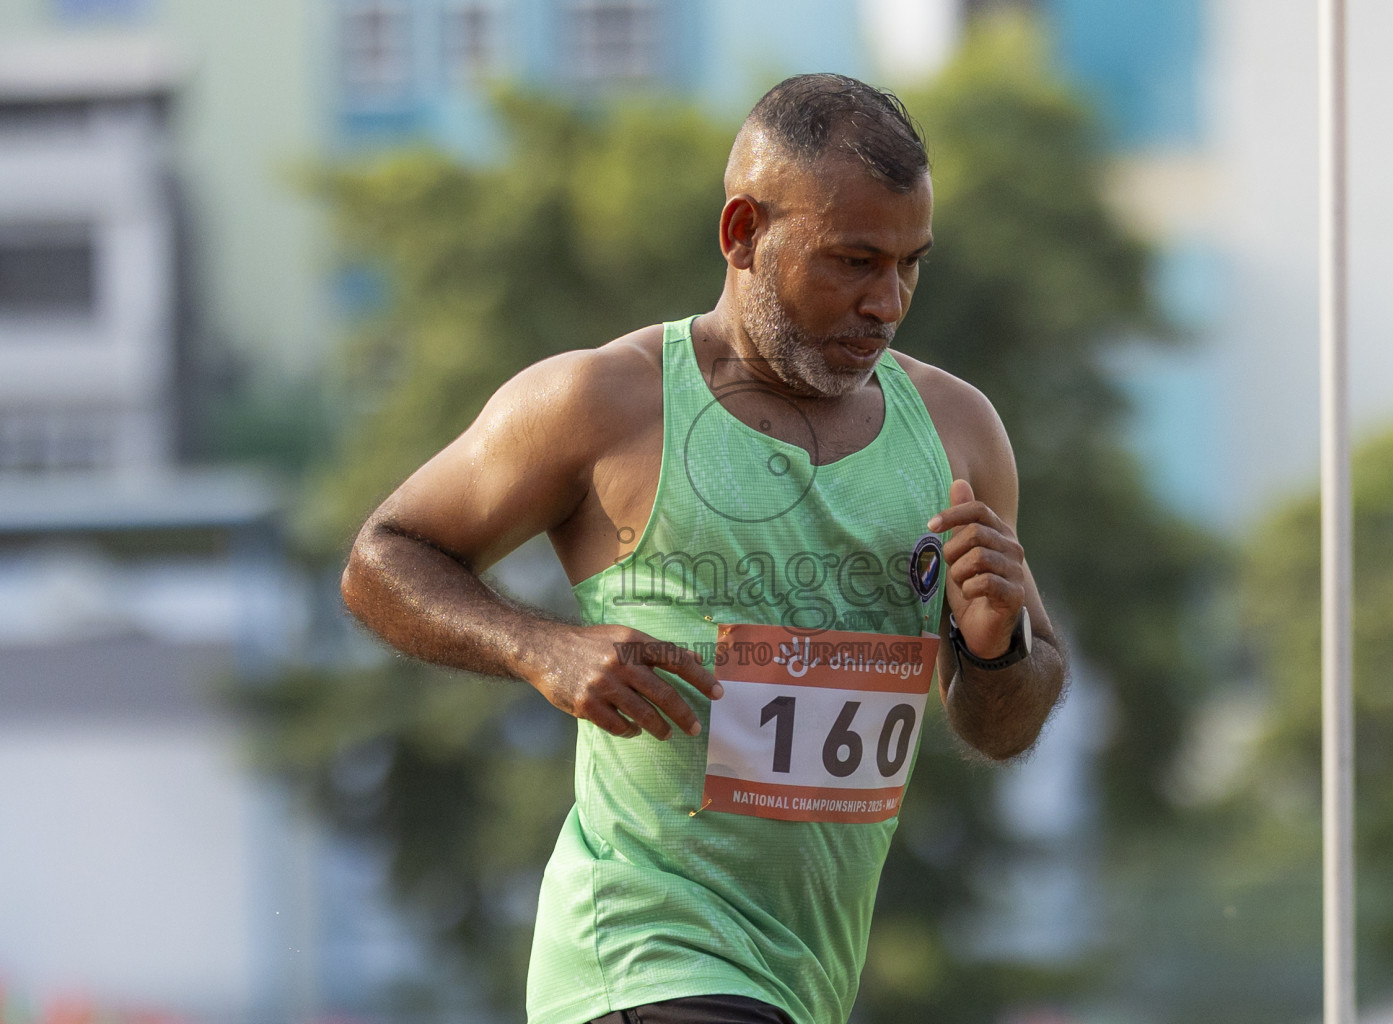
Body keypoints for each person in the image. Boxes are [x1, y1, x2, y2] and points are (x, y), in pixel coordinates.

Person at [341, 73, 1067, 1024]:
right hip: (643, 961)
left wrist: (995, 646)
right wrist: (540, 648)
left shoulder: (958, 432)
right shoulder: (607, 401)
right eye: (851, 261)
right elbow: (382, 558)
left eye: (909, 264)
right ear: (742, 234)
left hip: (801, 986)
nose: (887, 303)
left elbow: (1000, 723)